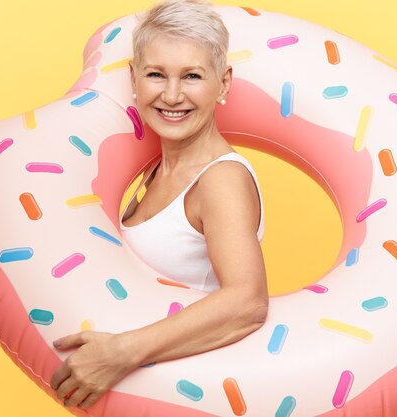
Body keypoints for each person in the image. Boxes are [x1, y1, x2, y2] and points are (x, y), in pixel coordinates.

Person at [50, 0, 268, 409]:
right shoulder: (149, 174)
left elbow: (248, 301)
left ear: (223, 84)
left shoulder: (221, 179)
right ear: (134, 78)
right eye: (156, 74)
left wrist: (120, 353)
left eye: (191, 76)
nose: (171, 95)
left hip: (189, 400)